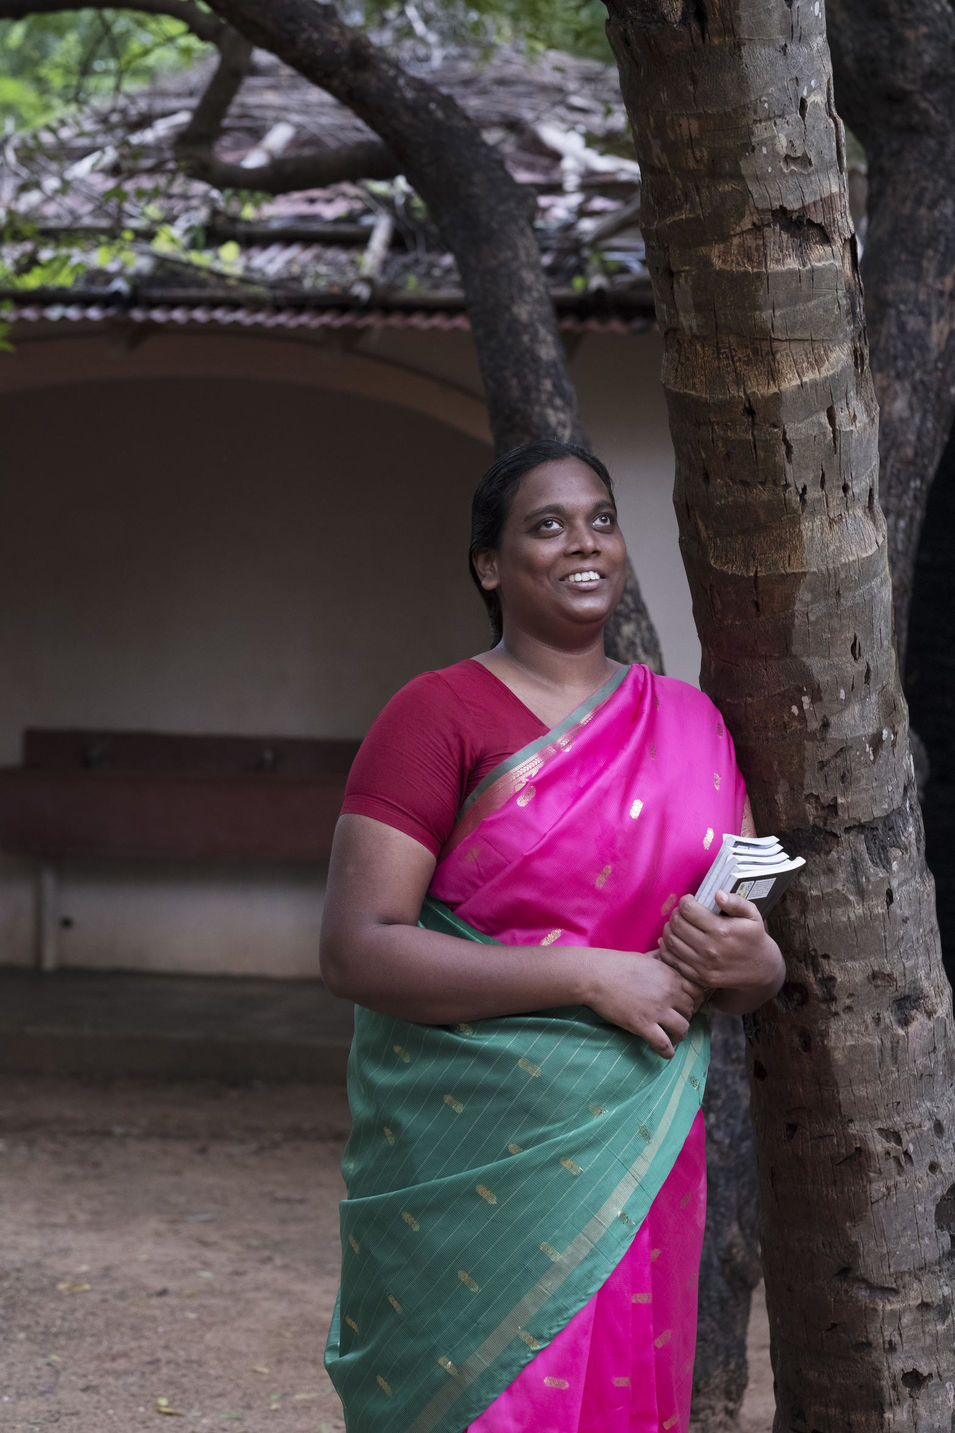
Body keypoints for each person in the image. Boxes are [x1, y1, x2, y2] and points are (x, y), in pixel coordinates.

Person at [321, 440, 785, 1433]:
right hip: (471, 1153)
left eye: (601, 519)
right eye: (546, 523)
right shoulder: (436, 712)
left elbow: (733, 937)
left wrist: (756, 966)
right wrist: (588, 977)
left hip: (635, 1149)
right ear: (490, 563)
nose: (584, 543)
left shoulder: (691, 723)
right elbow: (358, 945)